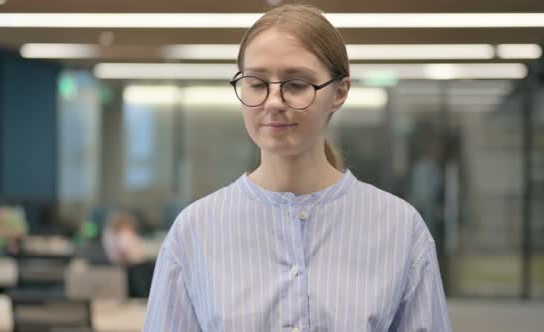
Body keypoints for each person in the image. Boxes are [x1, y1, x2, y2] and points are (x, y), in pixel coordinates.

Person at [144, 4, 451, 331]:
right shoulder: (194, 233)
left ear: (340, 92)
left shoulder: (400, 230)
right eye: (257, 83)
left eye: (296, 84)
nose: (274, 101)